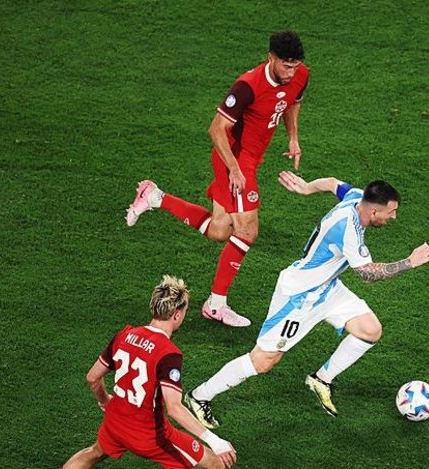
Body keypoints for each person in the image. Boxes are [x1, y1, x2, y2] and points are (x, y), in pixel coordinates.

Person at [182, 171, 429, 427]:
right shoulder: (348, 229)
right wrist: (409, 262)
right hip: (299, 296)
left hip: (327, 287)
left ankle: (321, 379)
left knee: (369, 330)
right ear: (374, 212)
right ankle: (199, 396)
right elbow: (368, 274)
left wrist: (307, 188)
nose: (393, 217)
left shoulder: (357, 196)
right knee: (263, 360)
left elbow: (332, 183)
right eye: (391, 212)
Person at [125, 31, 309, 328]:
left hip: (250, 158)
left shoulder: (300, 75)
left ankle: (155, 196)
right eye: (286, 66)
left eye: (295, 66)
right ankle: (216, 305)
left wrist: (293, 138)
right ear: (270, 58)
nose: (291, 73)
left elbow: (291, 103)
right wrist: (234, 169)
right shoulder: (247, 86)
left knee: (221, 230)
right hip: (234, 159)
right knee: (247, 231)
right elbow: (216, 129)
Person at [61, 276, 237, 469]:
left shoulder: (124, 336)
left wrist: (104, 401)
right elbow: (174, 408)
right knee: (215, 462)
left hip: (115, 423)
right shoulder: (168, 354)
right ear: (176, 315)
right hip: (150, 435)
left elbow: (93, 377)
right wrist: (214, 440)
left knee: (93, 453)